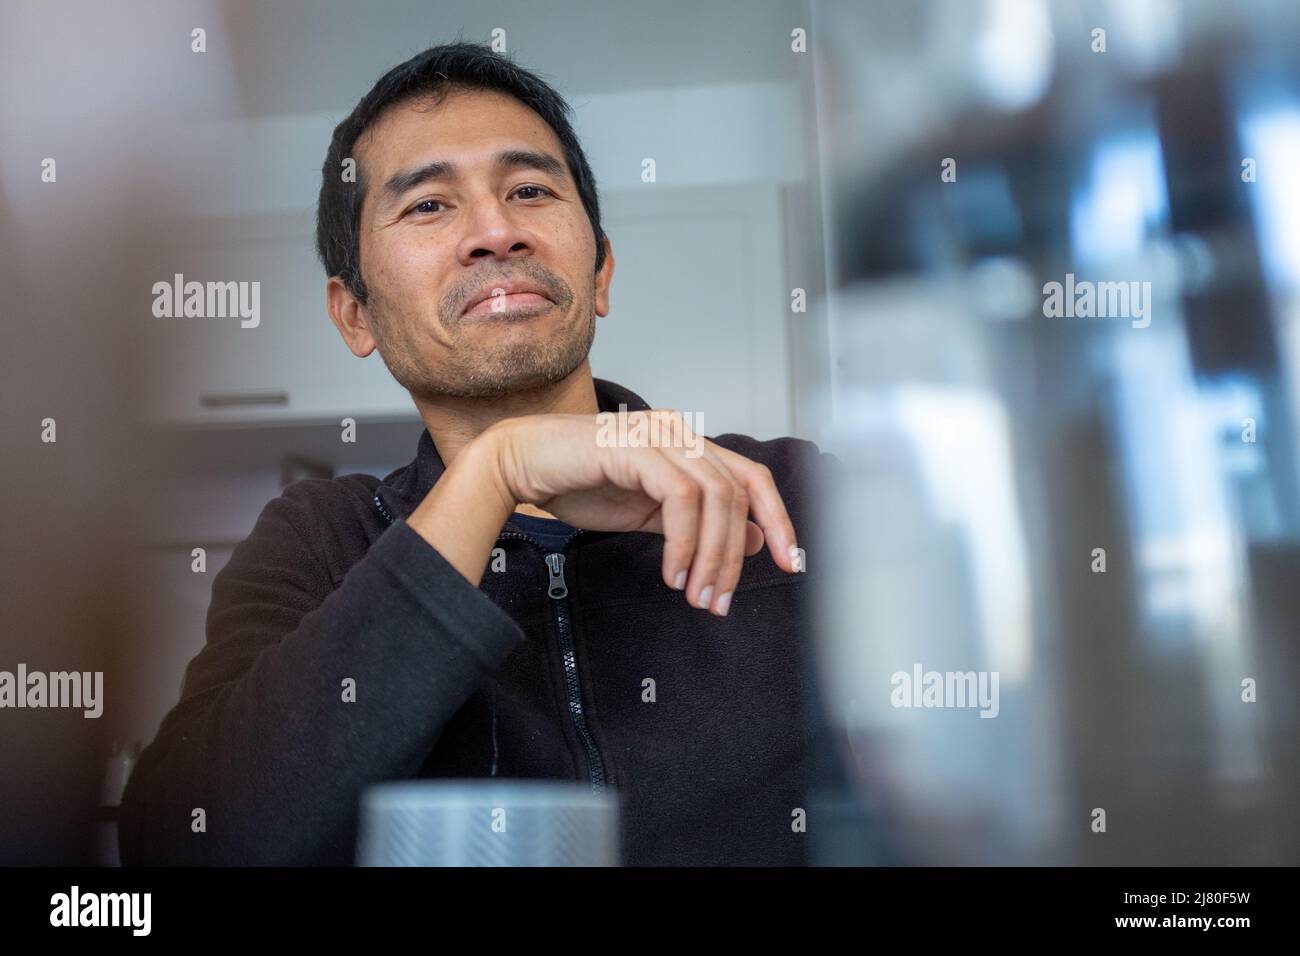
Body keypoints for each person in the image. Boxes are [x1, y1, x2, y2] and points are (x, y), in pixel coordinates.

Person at [119, 42, 840, 866]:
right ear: (355, 315)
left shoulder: (794, 494)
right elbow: (182, 844)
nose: (496, 232)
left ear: (600, 272)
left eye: (530, 190)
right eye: (428, 206)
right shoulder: (317, 539)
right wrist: (495, 472)